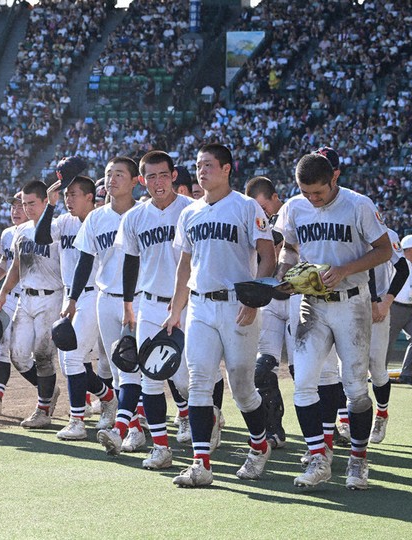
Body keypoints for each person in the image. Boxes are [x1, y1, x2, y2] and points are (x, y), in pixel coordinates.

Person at [276, 151, 392, 490]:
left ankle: (358, 459)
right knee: (303, 384)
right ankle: (318, 458)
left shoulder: (358, 204)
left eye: (319, 192)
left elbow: (384, 250)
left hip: (351, 302)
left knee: (355, 388)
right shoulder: (295, 206)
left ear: (334, 179)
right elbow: (289, 247)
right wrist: (284, 270)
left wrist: (344, 270)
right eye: (306, 192)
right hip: (311, 302)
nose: (312, 199)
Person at [165, 143, 276, 487]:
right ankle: (201, 464)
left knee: (241, 386)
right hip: (200, 305)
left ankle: (259, 445)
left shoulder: (246, 206)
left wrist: (255, 298)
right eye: (199, 165)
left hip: (237, 304)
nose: (201, 171)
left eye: (209, 165)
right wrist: (176, 309)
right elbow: (185, 265)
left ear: (227, 169)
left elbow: (268, 255)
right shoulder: (189, 213)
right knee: (198, 381)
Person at [116, 150, 195, 469]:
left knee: (187, 379)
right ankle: (161, 448)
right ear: (141, 180)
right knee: (150, 376)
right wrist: (128, 305)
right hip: (148, 303)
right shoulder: (134, 217)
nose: (158, 182)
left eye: (163, 175)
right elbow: (130, 261)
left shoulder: (191, 209)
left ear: (174, 176)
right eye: (151, 176)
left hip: (188, 302)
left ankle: (208, 419)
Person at [68, 157, 146, 454]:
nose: (112, 179)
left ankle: (189, 416)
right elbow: (85, 261)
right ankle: (133, 430)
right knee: (118, 370)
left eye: (119, 174)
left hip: (140, 298)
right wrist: (72, 299)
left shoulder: (145, 214)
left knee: (147, 371)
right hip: (106, 298)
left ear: (135, 180)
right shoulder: (96, 218)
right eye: (108, 174)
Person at [35, 175, 118, 440]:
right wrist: (50, 205)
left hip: (93, 294)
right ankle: (109, 397)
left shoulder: (102, 220)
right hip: (70, 295)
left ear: (90, 197)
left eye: (73, 194)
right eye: (66, 195)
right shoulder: (65, 222)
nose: (68, 200)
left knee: (73, 357)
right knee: (70, 362)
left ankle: (77, 421)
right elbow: (41, 237)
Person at [0, 181, 63, 429]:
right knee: (19, 355)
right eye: (24, 204)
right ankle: (49, 391)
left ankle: (42, 409)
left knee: (43, 354)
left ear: (46, 201)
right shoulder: (21, 231)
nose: (27, 208)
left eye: (32, 203)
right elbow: (16, 266)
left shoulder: (58, 228)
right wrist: (3, 293)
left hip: (51, 296)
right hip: (25, 297)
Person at [244, 176, 289, 449]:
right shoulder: (255, 222)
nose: (261, 213)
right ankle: (274, 430)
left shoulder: (294, 212)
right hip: (271, 301)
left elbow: (280, 240)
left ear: (275, 198)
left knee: (305, 372)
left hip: (299, 300)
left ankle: (326, 432)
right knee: (262, 369)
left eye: (263, 206)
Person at [0, 192, 27, 417]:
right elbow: (5, 261)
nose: (15, 211)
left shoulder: (40, 232)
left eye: (20, 207)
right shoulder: (8, 233)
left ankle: (47, 394)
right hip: (8, 296)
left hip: (32, 297)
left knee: (25, 354)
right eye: (13, 207)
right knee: (1, 344)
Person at [365, 228, 408, 444]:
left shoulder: (386, 234)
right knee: (345, 367)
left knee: (376, 364)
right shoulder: (341, 224)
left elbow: (402, 269)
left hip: (378, 302)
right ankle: (345, 420)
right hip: (347, 301)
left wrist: (387, 301)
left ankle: (381, 414)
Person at [388, 234, 412, 386]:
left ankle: (406, 374)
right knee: (387, 342)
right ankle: (379, 374)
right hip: (395, 306)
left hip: (411, 309)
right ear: (409, 249)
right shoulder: (395, 263)